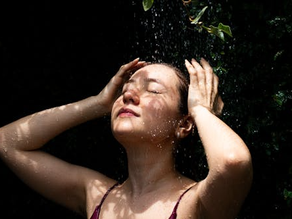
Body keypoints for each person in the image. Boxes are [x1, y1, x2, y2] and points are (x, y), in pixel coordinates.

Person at [0, 57, 253, 219]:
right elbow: (7, 142)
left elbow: (232, 162)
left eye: (153, 89)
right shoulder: (96, 194)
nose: (129, 95)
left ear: (184, 124)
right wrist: (97, 103)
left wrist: (200, 111)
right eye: (125, 90)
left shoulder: (197, 204)